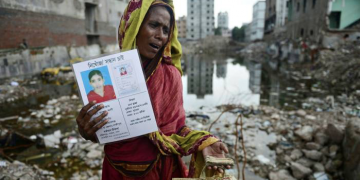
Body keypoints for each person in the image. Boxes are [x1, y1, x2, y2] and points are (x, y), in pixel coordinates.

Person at [76, 0, 230, 179]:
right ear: (134, 26)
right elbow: (106, 129)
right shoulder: (106, 74)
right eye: (154, 25)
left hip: (159, 171)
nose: (161, 36)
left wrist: (203, 142)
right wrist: (86, 130)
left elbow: (177, 129)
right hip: (117, 171)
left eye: (166, 30)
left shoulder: (170, 75)